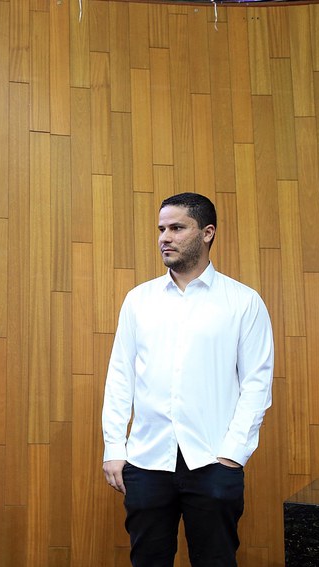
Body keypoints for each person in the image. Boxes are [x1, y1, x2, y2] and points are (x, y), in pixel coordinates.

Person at [101, 192, 274, 567]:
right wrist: (114, 447)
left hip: (213, 461)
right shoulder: (139, 300)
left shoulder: (243, 302)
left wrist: (233, 454)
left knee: (215, 561)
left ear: (207, 232)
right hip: (146, 461)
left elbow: (257, 385)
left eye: (177, 228)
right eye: (161, 229)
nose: (165, 237)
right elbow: (120, 376)